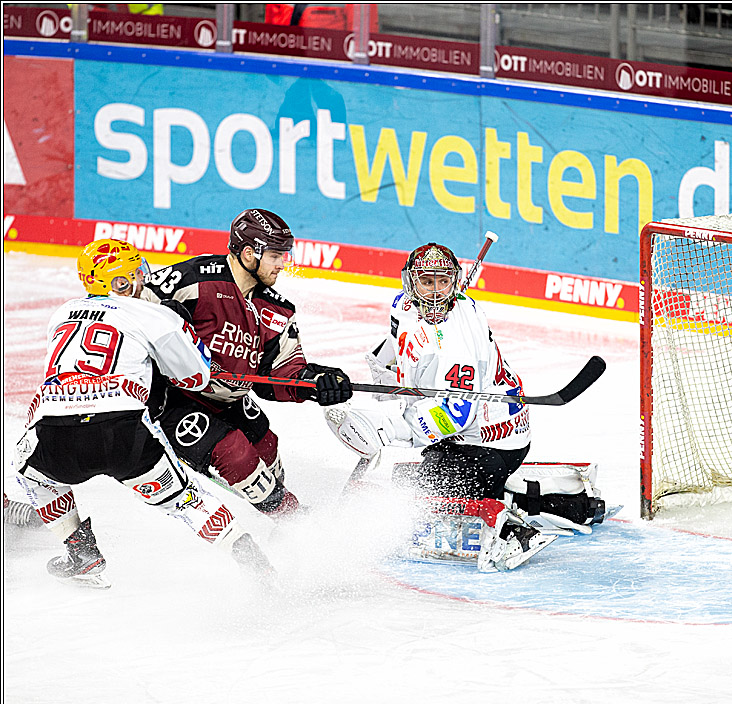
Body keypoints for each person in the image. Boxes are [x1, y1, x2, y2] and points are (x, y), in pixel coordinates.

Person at [323, 243, 605, 571]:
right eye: (426, 281)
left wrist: (387, 429)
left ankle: (520, 527)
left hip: (490, 443)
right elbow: (398, 334)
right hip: (472, 431)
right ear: (409, 283)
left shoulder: (456, 347)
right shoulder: (404, 304)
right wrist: (382, 366)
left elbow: (457, 415)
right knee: (413, 478)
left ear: (454, 282)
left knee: (411, 490)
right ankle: (554, 500)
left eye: (442, 282)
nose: (434, 292)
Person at [13, 239, 270, 588]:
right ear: (119, 282)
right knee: (184, 502)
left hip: (55, 433)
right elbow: (196, 377)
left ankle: (81, 551)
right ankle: (252, 560)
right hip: (124, 434)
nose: (141, 278)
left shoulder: (62, 313)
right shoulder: (154, 314)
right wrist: (182, 331)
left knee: (33, 476)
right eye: (133, 273)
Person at [140, 209, 352, 518]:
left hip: (231, 399)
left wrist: (317, 383)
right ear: (249, 253)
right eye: (276, 255)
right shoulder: (192, 280)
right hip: (175, 400)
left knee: (266, 446)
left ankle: (276, 504)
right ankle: (295, 521)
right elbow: (131, 313)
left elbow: (282, 373)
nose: (283, 264)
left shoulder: (277, 309)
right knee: (235, 453)